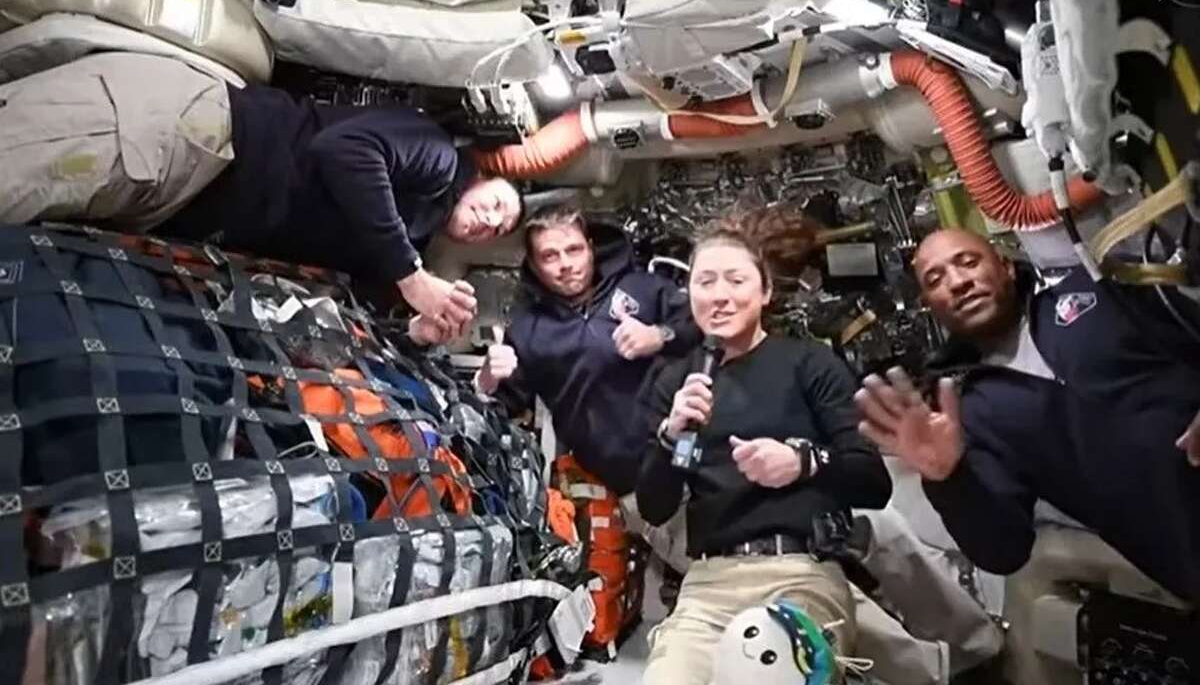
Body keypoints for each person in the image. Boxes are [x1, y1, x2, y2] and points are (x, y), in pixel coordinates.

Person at [0, 52, 523, 335]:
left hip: (184, 200)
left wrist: (416, 328)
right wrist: (411, 277)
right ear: (482, 177)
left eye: (497, 230)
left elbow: (355, 295)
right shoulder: (438, 158)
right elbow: (344, 151)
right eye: (497, 203)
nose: (490, 221)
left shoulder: (409, 235)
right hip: (192, 136)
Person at [855, 227, 1200, 603]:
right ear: (930, 304)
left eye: (968, 262)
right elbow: (1004, 551)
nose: (957, 283)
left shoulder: (1092, 290)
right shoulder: (970, 411)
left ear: (1004, 266)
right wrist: (947, 479)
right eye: (936, 280)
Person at [635, 215, 892, 685]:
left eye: (736, 280)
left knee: (768, 673)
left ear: (766, 292)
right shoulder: (674, 383)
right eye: (705, 282)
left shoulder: (810, 364)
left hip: (801, 575)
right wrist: (672, 435)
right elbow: (654, 505)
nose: (720, 295)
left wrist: (802, 462)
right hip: (708, 585)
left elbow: (873, 480)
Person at [475, 204, 701, 577]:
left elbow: (704, 325)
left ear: (591, 247)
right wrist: (487, 379)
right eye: (550, 255)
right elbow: (502, 409)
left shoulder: (641, 288)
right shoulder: (528, 332)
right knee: (704, 574)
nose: (565, 263)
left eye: (574, 250)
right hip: (638, 485)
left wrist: (659, 335)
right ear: (532, 264)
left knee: (754, 559)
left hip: (702, 453)